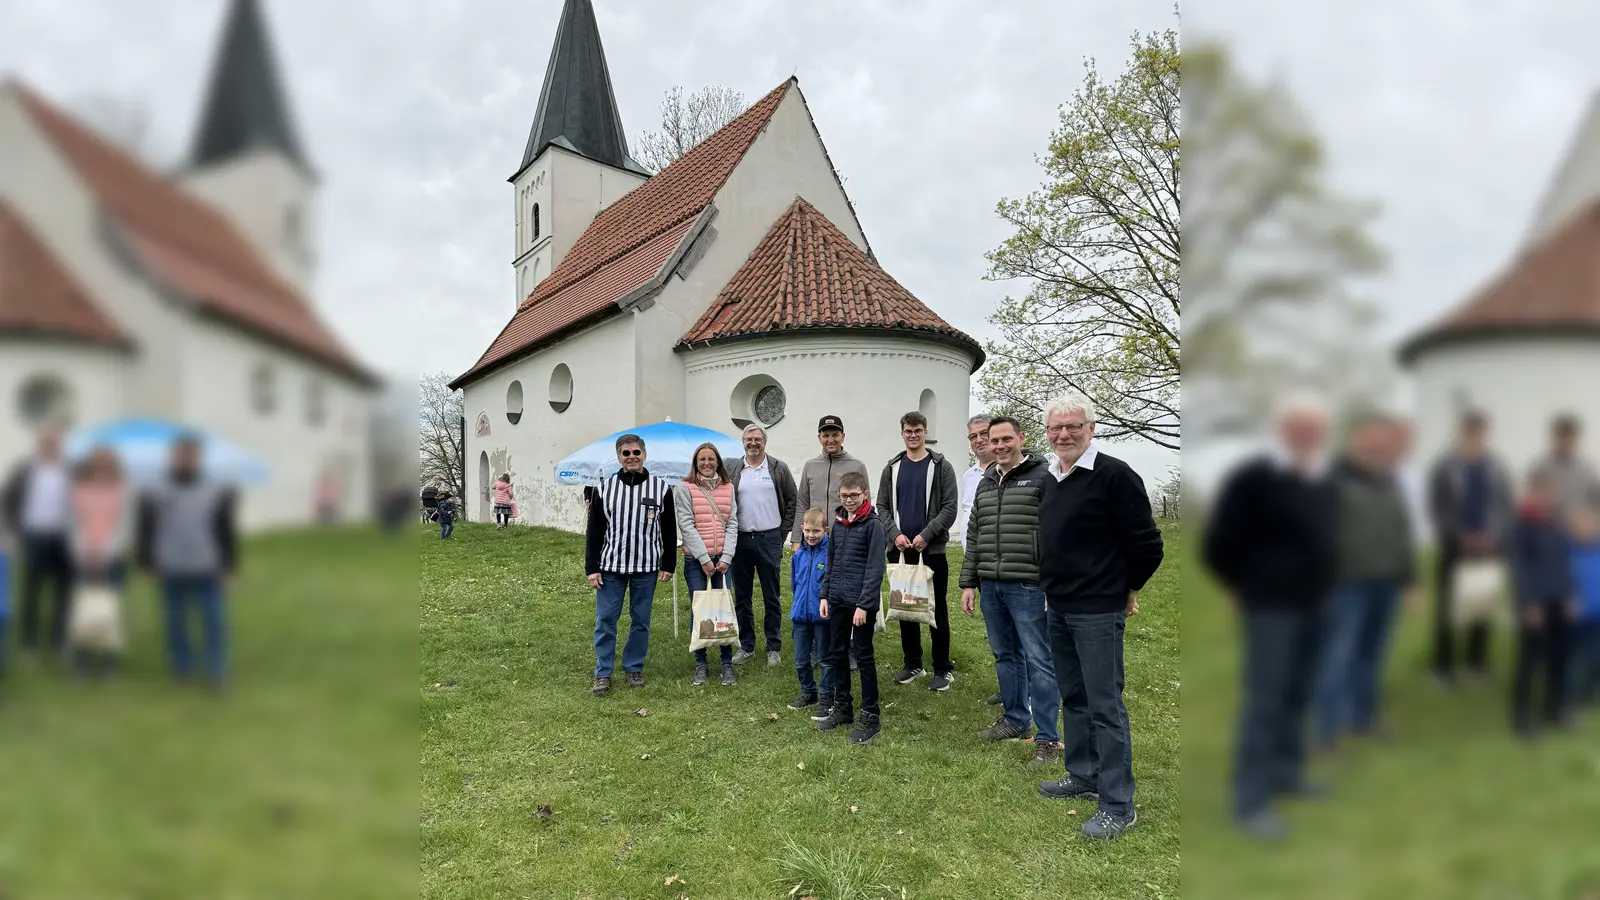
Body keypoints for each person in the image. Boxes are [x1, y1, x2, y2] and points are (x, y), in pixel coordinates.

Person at [1203, 392, 1338, 841]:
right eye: (1301, 428)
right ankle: (1251, 801)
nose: (1309, 437)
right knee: (1266, 699)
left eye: (1316, 430)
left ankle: (1287, 773)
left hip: (1316, 604)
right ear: (1283, 430)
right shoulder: (1255, 479)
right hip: (1270, 608)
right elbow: (1220, 542)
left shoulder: (1320, 478)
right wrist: (1240, 585)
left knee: (1299, 692)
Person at [1033, 391, 1165, 841]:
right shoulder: (1052, 477)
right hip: (1059, 606)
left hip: (1097, 610)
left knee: (1106, 706)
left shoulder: (1114, 476)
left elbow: (1148, 545)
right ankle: (1083, 774)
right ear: (1048, 433)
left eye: (1073, 426)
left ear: (1092, 428)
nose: (1064, 434)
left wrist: (1126, 589)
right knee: (1074, 696)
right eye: (1056, 428)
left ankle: (1117, 803)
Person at [1313, 411, 1416, 754]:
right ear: (1355, 440)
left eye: (1381, 441)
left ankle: (1364, 719)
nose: (1376, 446)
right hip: (1345, 587)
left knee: (1372, 655)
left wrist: (1410, 579)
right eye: (1369, 438)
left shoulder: (1389, 481)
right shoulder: (1332, 480)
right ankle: (1326, 735)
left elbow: (1402, 532)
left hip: (1385, 585)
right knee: (1337, 657)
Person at [957, 417, 1060, 763]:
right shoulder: (986, 482)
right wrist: (969, 581)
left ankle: (1048, 739)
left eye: (1005, 439)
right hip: (991, 584)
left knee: (1039, 660)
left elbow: (1057, 533)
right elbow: (974, 535)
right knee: (1005, 656)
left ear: (1021, 438)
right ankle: (1016, 720)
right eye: (993, 439)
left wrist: (1052, 583)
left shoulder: (1044, 476)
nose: (998, 445)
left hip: (1029, 584)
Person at [136, 434, 239, 691]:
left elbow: (226, 529)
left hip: (208, 565)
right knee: (175, 621)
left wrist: (230, 566)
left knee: (214, 621)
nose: (186, 458)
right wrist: (146, 562)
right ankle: (182, 667)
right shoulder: (153, 489)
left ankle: (218, 671)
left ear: (199, 457)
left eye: (191, 454)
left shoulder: (217, 489)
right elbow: (144, 528)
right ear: (173, 456)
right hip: (170, 566)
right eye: (181, 453)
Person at [1426, 410, 1515, 686]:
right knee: (1448, 609)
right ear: (1461, 433)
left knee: (1481, 605)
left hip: (1489, 547)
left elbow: (1505, 505)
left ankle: (1476, 664)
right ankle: (1442, 669)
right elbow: (1437, 508)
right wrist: (1457, 534)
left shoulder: (1497, 467)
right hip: (1456, 547)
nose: (1476, 438)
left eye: (1480, 433)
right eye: (1470, 432)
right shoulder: (1444, 467)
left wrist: (1495, 532)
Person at [584, 434, 677, 696]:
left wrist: (668, 563)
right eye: (626, 453)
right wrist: (592, 568)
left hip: (646, 567)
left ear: (645, 455)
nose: (632, 457)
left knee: (641, 620)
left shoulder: (661, 489)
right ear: (619, 457)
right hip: (610, 566)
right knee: (605, 620)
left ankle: (634, 666)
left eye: (636, 452)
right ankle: (603, 672)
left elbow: (669, 530)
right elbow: (594, 531)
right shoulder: (605, 489)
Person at [875, 411, 960, 690]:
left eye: (918, 430)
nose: (913, 435)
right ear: (902, 434)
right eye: (908, 431)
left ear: (925, 432)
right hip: (899, 550)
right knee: (906, 607)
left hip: (931, 549)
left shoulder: (940, 466)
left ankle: (942, 668)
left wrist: (927, 534)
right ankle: (913, 664)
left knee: (936, 610)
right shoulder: (892, 467)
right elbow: (883, 506)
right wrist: (895, 534)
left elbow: (949, 507)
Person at [816, 471, 887, 744]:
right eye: (844, 496)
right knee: (836, 654)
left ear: (865, 494)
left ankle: (870, 714)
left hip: (861, 606)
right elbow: (831, 563)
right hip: (837, 600)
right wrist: (825, 594)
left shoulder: (874, 526)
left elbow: (875, 570)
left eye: (854, 495)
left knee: (864, 655)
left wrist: (864, 605)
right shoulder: (837, 524)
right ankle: (843, 706)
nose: (849, 500)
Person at [1507, 469, 1576, 738]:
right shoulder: (1519, 524)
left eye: (1549, 491)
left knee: (1560, 657)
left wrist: (1571, 594)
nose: (1545, 496)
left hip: (1560, 599)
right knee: (1529, 661)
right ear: (1530, 492)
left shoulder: (1557, 521)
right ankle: (1522, 717)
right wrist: (1528, 603)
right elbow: (1518, 568)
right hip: (1534, 603)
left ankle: (1556, 707)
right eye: (1540, 491)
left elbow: (1565, 561)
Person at [724, 424, 797, 667]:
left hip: (770, 539)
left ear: (764, 442)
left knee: (771, 596)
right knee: (742, 597)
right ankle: (746, 646)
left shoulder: (778, 468)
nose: (753, 443)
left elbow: (792, 499)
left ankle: (773, 647)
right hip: (741, 539)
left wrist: (782, 532)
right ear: (742, 442)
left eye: (757, 439)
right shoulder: (734, 468)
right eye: (748, 439)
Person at [1, 426, 75, 662]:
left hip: (64, 537)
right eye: (46, 443)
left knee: (63, 593)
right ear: (38, 445)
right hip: (33, 536)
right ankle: (29, 645)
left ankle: (58, 643)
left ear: (60, 445)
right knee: (31, 592)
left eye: (54, 443)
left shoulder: (70, 470)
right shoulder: (24, 470)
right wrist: (14, 528)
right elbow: (7, 498)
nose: (50, 447)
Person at [673, 443, 739, 687]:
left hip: (722, 559)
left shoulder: (728, 487)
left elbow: (732, 523)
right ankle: (701, 664)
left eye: (711, 459)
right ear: (696, 462)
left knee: (722, 610)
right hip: (696, 560)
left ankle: (726, 664)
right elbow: (686, 524)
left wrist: (726, 557)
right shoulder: (685, 488)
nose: (707, 463)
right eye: (702, 459)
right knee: (700, 609)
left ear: (718, 462)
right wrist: (703, 559)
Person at [67, 447, 135, 678]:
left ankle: (109, 664)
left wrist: (104, 554)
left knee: (110, 611)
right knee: (82, 610)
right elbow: (74, 524)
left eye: (107, 464)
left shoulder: (123, 490)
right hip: (84, 557)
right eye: (98, 464)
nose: (102, 468)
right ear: (91, 466)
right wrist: (85, 553)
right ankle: (81, 663)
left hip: (112, 558)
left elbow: (125, 527)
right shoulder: (79, 489)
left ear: (114, 466)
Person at [955, 415, 1003, 707]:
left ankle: (1029, 689)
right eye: (973, 436)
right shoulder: (970, 475)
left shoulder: (1008, 470)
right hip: (979, 563)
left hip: (1007, 563)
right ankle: (1008, 683)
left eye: (984, 433)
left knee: (1019, 629)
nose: (979, 440)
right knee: (997, 631)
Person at [793, 415, 870, 547]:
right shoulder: (810, 465)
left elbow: (865, 505)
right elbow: (802, 503)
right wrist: (796, 538)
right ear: (819, 438)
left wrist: (862, 535)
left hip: (846, 536)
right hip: (816, 537)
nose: (830, 440)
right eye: (826, 435)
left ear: (843, 436)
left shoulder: (857, 466)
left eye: (835, 435)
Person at [788, 508, 834, 714]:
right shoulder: (798, 556)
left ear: (825, 530)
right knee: (800, 659)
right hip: (800, 615)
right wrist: (798, 604)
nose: (811, 535)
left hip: (822, 617)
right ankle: (808, 692)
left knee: (825, 659)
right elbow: (794, 584)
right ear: (801, 529)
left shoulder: (830, 554)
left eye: (816, 530)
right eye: (807, 530)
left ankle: (826, 696)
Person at [1531, 414, 1600, 530]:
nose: (1566, 442)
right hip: (1548, 533)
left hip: (1579, 535)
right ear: (1554, 438)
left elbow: (1596, 504)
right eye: (1563, 436)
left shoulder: (1587, 472)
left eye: (1570, 437)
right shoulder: (1541, 469)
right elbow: (1530, 505)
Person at [1568, 503, 1600, 709]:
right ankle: (1570, 694)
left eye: (1593, 526)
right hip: (1576, 614)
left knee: (1596, 655)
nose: (1588, 531)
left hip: (1597, 614)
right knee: (1574, 656)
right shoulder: (1568, 552)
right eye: (1583, 527)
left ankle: (1590, 691)